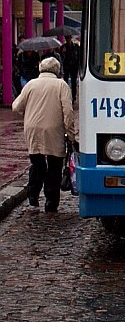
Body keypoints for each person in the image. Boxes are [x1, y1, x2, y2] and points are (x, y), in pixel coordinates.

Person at [12, 57, 76, 213]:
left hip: (33, 128)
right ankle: (51, 199)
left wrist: (26, 114)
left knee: (37, 162)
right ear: (57, 69)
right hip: (54, 129)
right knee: (54, 165)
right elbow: (67, 111)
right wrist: (70, 133)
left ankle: (33, 193)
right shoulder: (62, 85)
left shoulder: (31, 84)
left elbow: (16, 107)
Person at [60, 35, 80, 103]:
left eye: (69, 38)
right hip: (67, 66)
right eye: (67, 38)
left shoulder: (76, 46)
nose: (68, 39)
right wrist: (63, 53)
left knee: (74, 81)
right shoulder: (63, 47)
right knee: (65, 81)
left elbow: (79, 55)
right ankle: (66, 96)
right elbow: (61, 58)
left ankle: (73, 96)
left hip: (74, 66)